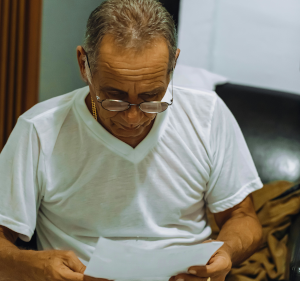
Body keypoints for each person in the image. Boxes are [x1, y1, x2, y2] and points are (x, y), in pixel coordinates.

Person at [0, 0, 263, 281]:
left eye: (152, 98)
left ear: (172, 64)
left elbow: (242, 217)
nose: (133, 118)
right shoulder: (39, 129)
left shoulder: (207, 115)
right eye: (115, 99)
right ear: (83, 65)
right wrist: (31, 265)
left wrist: (226, 252)